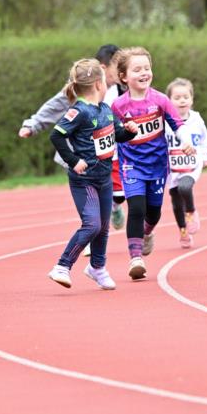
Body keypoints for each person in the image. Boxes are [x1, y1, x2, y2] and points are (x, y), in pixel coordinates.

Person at [47, 59, 137, 289]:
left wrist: (129, 132)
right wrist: (73, 160)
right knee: (92, 224)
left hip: (104, 178)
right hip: (83, 180)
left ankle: (97, 267)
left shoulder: (105, 110)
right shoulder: (79, 111)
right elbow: (56, 135)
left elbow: (117, 135)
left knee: (104, 226)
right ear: (99, 84)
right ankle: (62, 265)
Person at [19, 44, 126, 230]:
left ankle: (114, 208)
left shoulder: (122, 90)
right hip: (84, 154)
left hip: (112, 151)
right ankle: (92, 231)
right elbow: (55, 105)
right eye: (117, 66)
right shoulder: (81, 89)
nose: (120, 71)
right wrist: (33, 124)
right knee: (90, 195)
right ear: (103, 67)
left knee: (117, 195)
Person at [112, 47, 194, 279]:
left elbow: (179, 124)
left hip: (157, 165)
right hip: (132, 165)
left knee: (154, 213)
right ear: (124, 77)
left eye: (147, 68)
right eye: (137, 69)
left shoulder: (161, 100)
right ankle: (135, 258)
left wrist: (185, 140)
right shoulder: (118, 106)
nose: (144, 73)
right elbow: (110, 132)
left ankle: (147, 233)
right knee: (136, 208)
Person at [165, 77, 207, 249]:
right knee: (176, 201)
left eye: (185, 97)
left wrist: (206, 154)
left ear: (192, 99)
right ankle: (183, 231)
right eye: (177, 98)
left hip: (192, 164)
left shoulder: (196, 120)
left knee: (185, 187)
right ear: (169, 101)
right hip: (172, 166)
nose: (182, 100)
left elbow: (204, 139)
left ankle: (191, 211)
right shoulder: (165, 121)